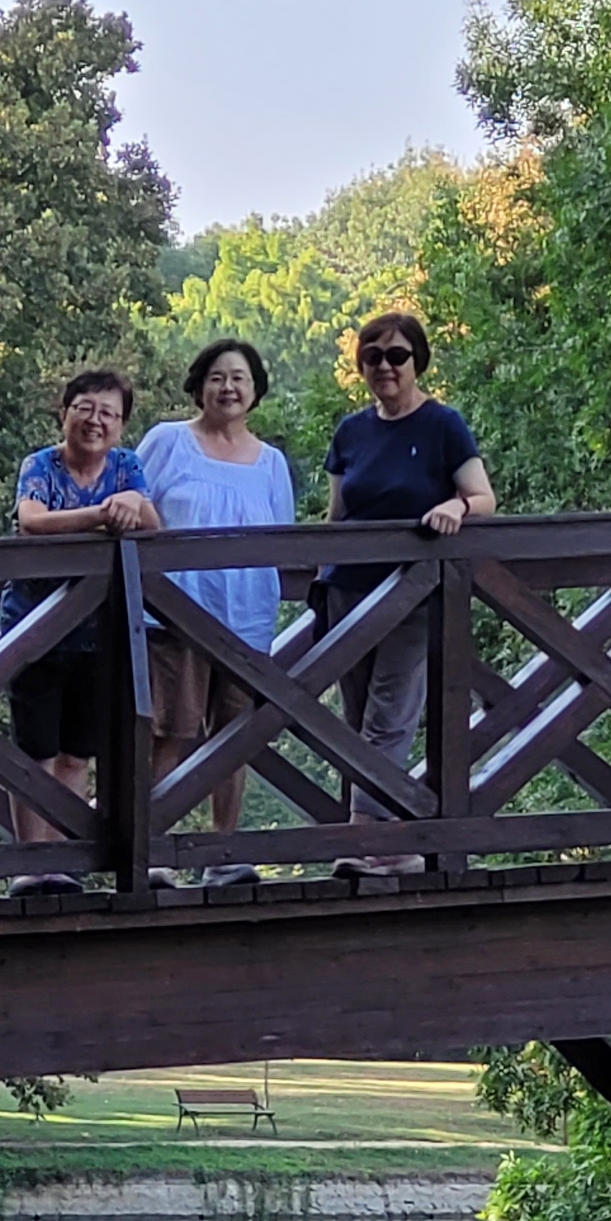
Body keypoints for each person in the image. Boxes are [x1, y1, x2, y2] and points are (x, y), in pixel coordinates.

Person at [319, 311, 491, 877]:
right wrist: (315, 574)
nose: (385, 367)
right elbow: (337, 514)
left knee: (389, 713)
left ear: (418, 361)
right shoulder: (350, 432)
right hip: (348, 587)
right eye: (373, 357)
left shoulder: (443, 425)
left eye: (397, 356)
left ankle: (367, 840)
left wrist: (456, 507)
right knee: (355, 718)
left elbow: (484, 497)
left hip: (413, 590)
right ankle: (388, 840)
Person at [136, 339, 291, 887]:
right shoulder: (168, 441)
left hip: (246, 618)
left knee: (234, 737)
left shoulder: (271, 462)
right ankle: (151, 850)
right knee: (170, 732)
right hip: (174, 613)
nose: (229, 388)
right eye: (218, 377)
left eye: (240, 378)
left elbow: (284, 541)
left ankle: (223, 852)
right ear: (199, 386)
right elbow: (133, 505)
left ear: (255, 390)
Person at [4, 369, 156, 893]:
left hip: (98, 633)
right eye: (85, 408)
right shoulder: (40, 465)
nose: (96, 421)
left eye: (109, 413)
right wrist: (103, 514)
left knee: (76, 752)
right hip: (34, 628)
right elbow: (32, 521)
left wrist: (132, 506)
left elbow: (152, 523)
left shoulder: (127, 466)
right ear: (64, 412)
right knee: (35, 750)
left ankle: (64, 863)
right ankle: (31, 864)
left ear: (122, 425)